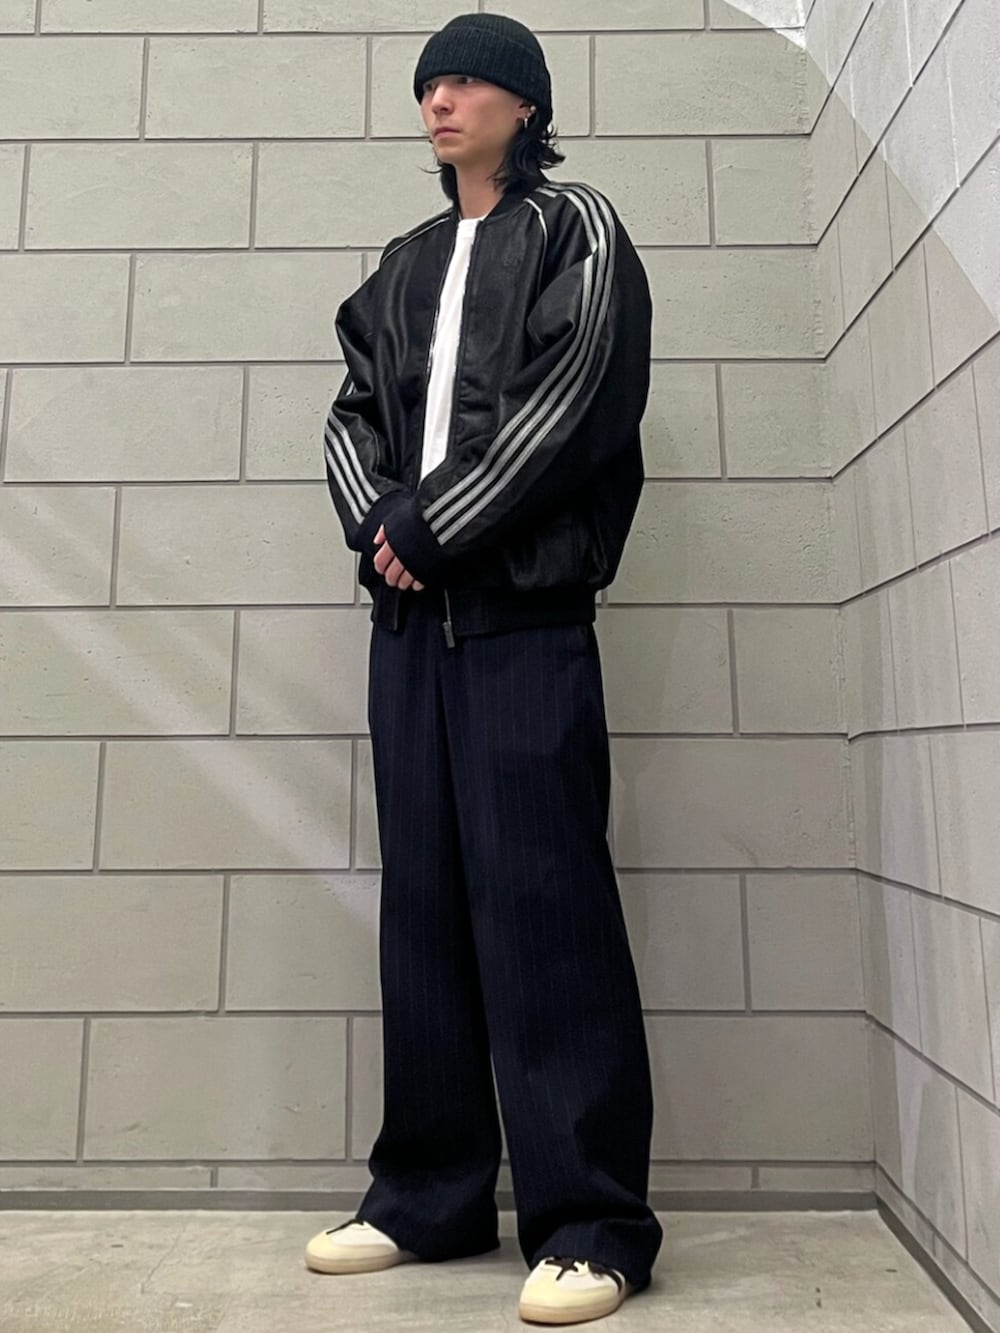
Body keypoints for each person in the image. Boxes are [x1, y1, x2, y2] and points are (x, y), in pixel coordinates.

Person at [305, 12, 662, 1325]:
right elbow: (351, 415)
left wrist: (434, 527)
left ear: (525, 104)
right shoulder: (402, 265)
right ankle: (428, 1196)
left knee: (545, 906)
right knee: (426, 912)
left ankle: (592, 1222)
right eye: (429, 85)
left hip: (525, 626)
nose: (440, 101)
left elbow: (575, 399)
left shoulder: (577, 228)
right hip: (410, 639)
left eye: (466, 81)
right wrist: (382, 528)